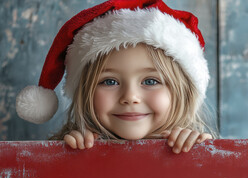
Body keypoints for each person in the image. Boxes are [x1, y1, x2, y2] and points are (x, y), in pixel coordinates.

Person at [15, 0, 215, 153]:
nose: (130, 97)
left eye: (150, 81)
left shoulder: (198, 148)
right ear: (85, 92)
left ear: (184, 92)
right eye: (110, 81)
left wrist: (204, 156)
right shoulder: (70, 149)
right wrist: (68, 158)